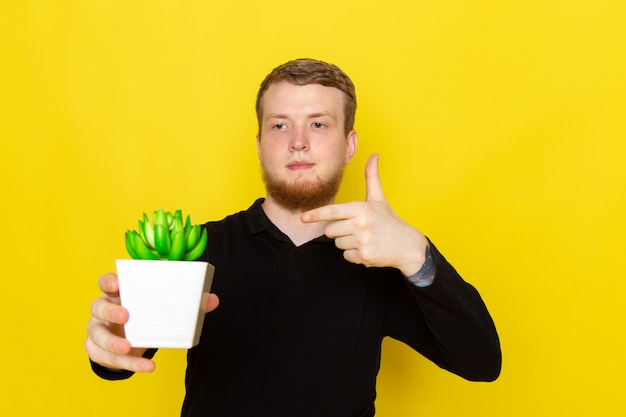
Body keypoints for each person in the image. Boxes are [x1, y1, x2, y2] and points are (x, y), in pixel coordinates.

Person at [86, 58, 501, 416]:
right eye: (280, 125)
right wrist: (118, 336)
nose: (298, 142)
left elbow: (482, 361)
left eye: (318, 124)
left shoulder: (380, 262)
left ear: (349, 144)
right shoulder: (200, 248)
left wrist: (415, 252)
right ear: (260, 144)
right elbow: (120, 357)